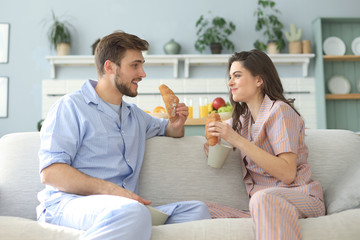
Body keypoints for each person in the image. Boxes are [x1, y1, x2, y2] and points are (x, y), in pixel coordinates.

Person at [37, 31, 210, 240]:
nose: (142, 73)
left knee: (196, 211)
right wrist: (110, 190)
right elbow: (51, 173)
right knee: (133, 212)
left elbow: (171, 130)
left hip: (123, 208)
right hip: (69, 204)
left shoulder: (135, 116)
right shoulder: (70, 106)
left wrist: (177, 124)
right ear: (109, 67)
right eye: (135, 65)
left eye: (142, 65)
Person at [205, 49, 325, 240]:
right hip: (261, 203)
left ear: (258, 80)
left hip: (300, 196)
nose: (230, 83)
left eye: (237, 76)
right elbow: (216, 140)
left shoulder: (279, 111)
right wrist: (213, 143)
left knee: (263, 199)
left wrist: (236, 140)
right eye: (230, 77)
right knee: (200, 209)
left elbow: (287, 173)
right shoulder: (243, 120)